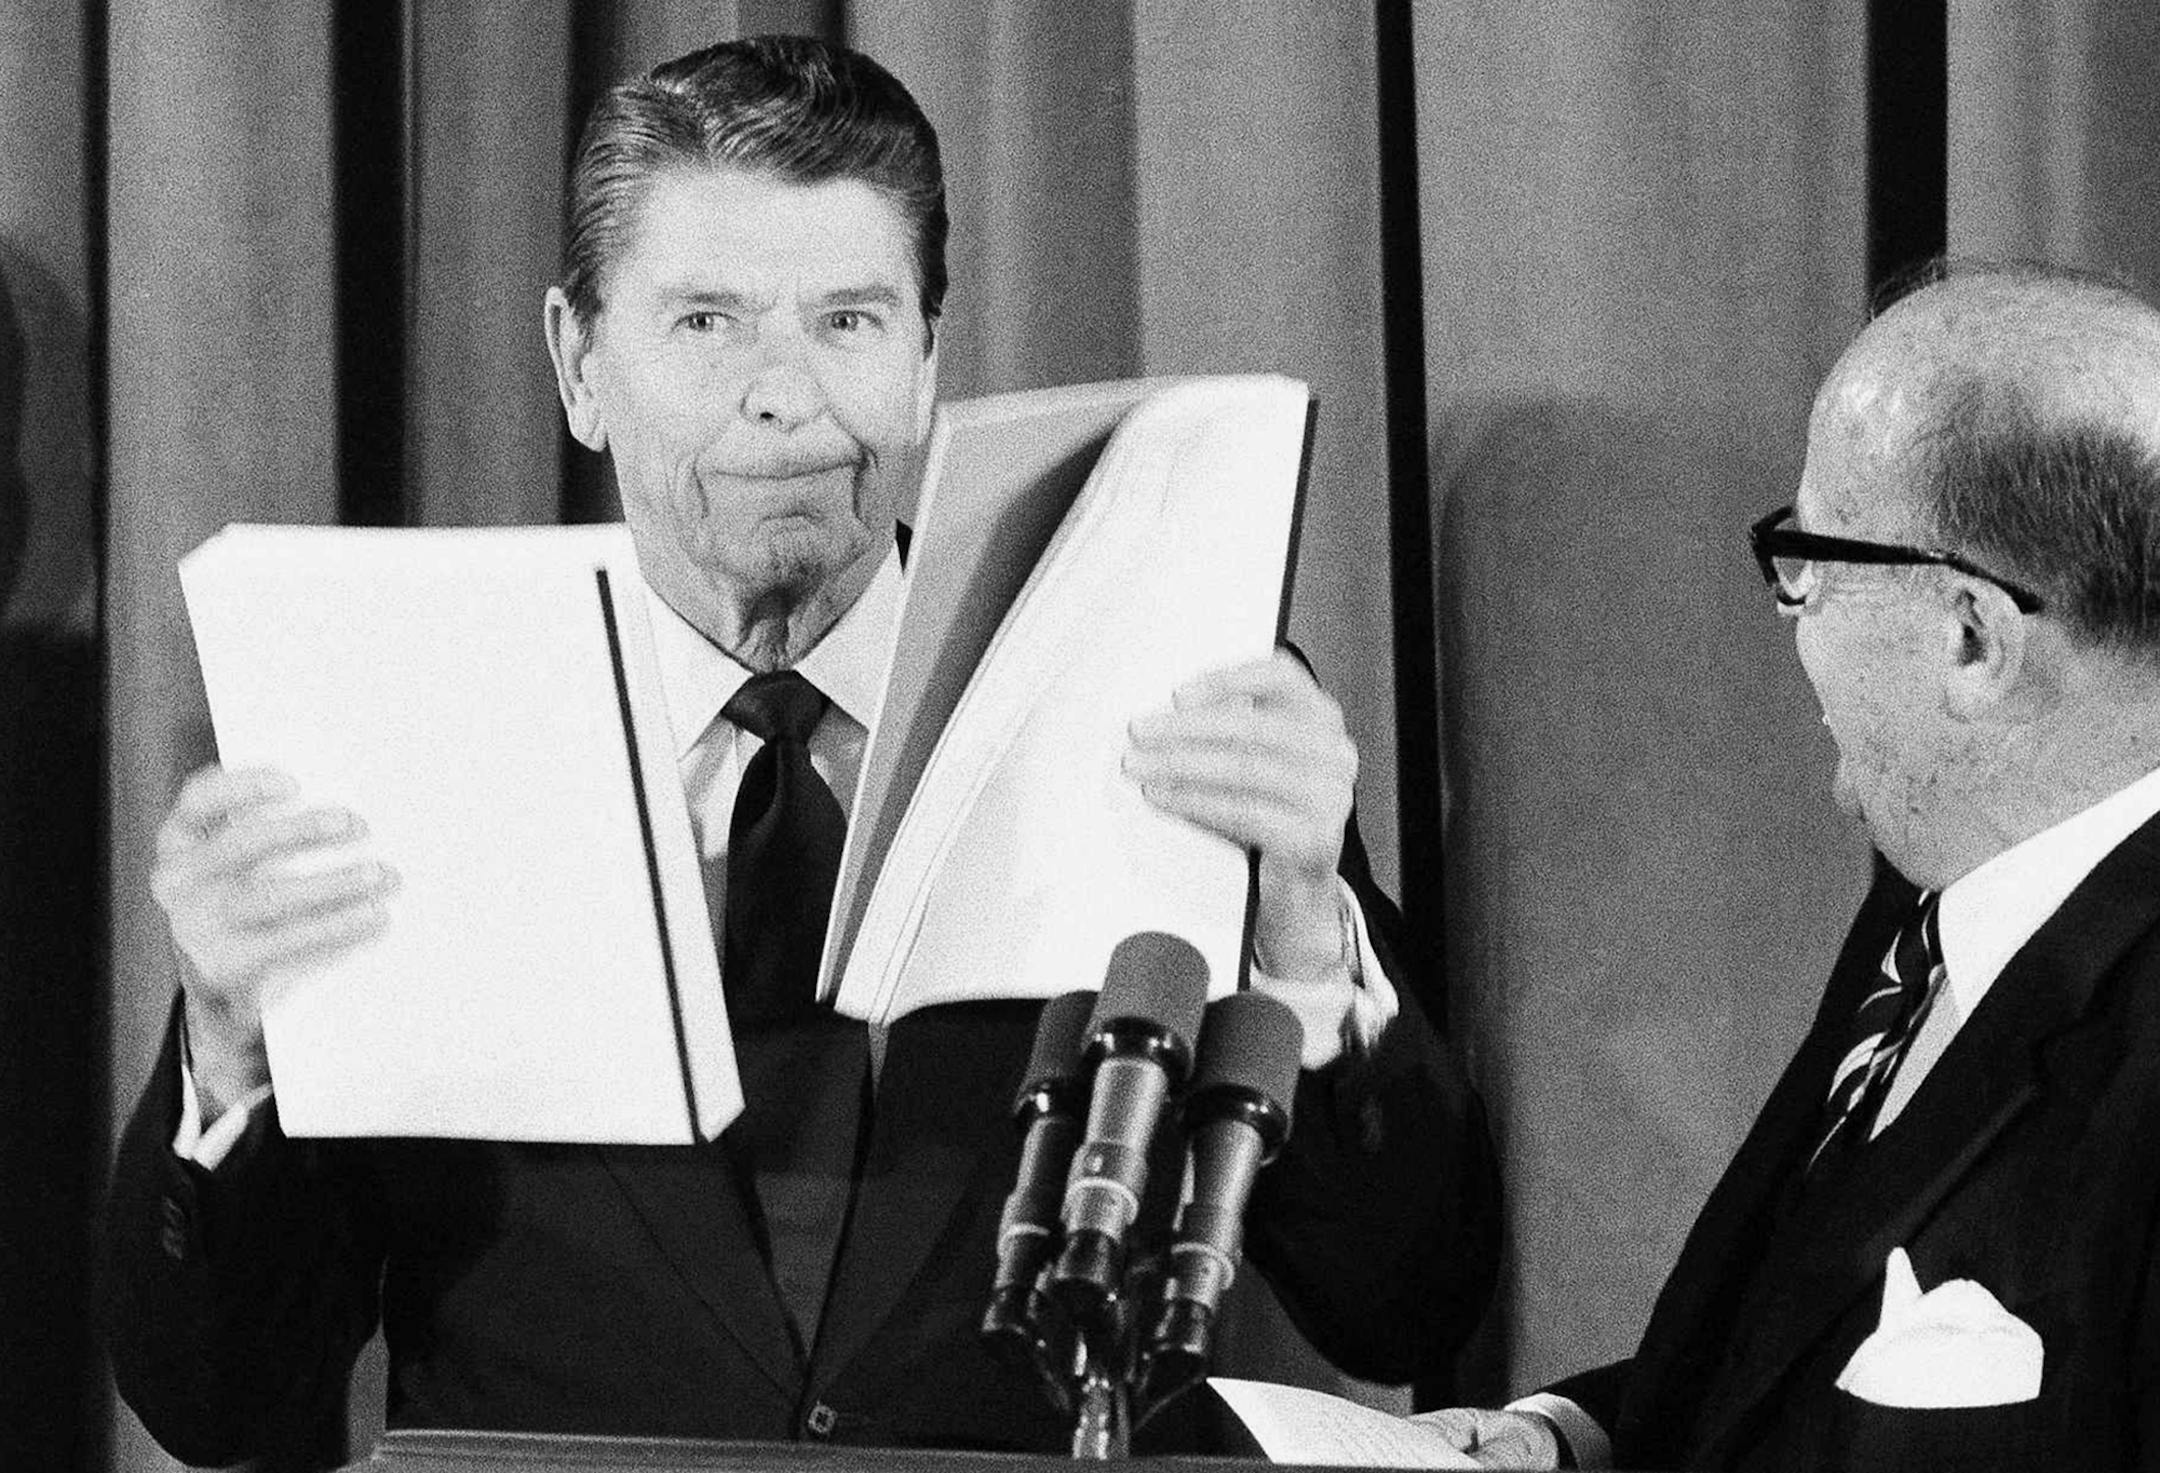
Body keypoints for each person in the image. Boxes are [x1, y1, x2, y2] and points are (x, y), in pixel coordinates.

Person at [101, 35, 1498, 1463]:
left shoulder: (1149, 687)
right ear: (579, 362)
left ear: (926, 358)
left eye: (847, 321)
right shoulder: (407, 726)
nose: (785, 394)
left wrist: (1306, 941)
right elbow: (226, 1406)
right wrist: (231, 1042)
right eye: (706, 323)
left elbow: (1402, 1300)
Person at [1421, 261, 2160, 1471]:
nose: (1792, 609)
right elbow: (1793, 1368)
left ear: (1971, 639)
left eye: (1810, 561)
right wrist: (1564, 1439)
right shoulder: (1922, 912)